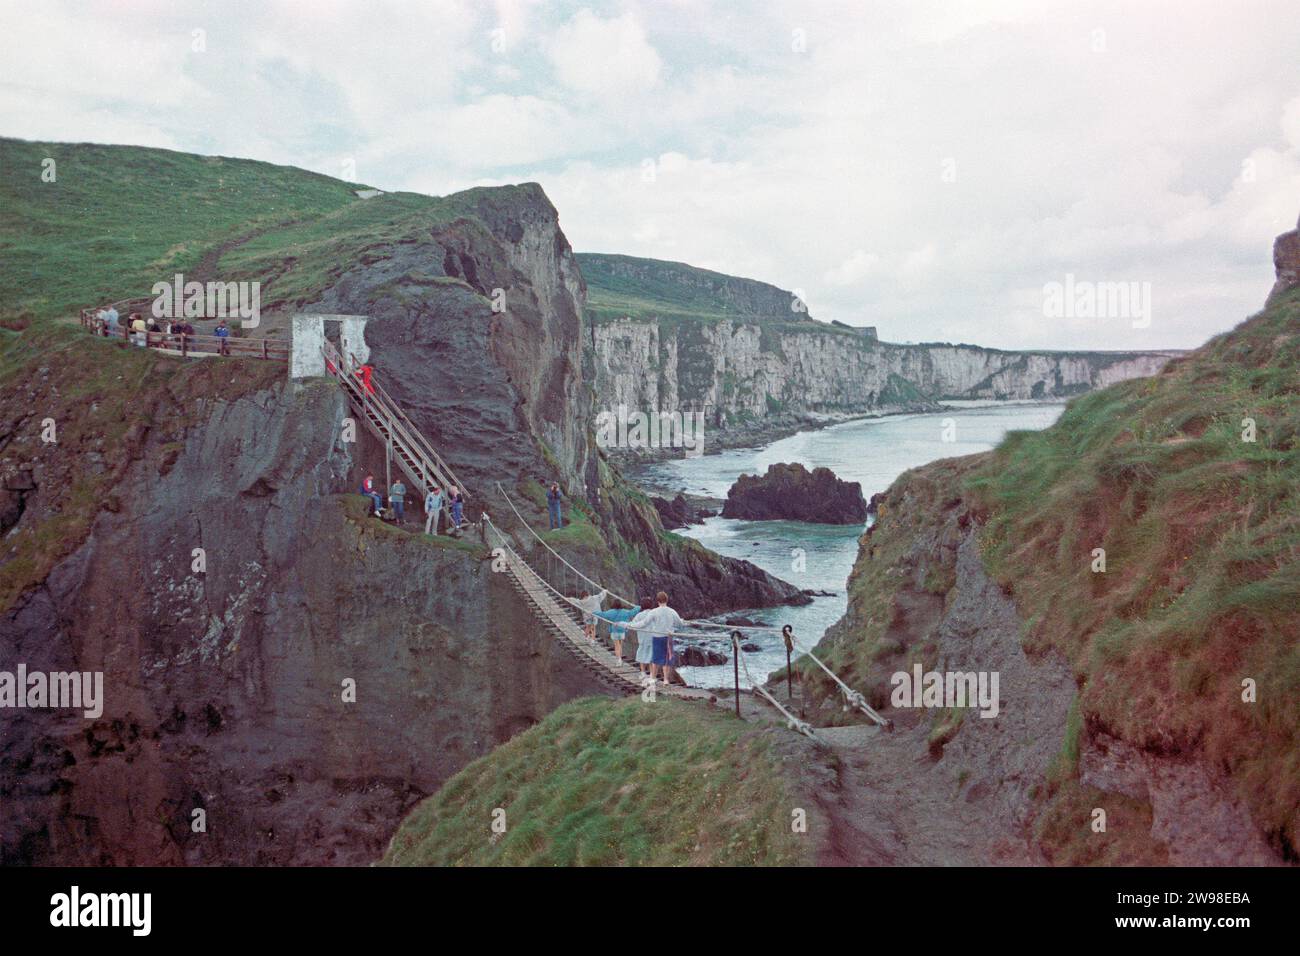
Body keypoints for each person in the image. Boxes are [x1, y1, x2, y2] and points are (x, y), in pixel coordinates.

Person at [626, 591, 685, 685]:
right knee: (667, 659)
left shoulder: (654, 612)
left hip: (657, 637)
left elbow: (643, 623)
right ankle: (666, 680)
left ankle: (653, 678)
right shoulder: (672, 611)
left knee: (656, 659)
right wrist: (682, 621)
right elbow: (679, 624)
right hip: (668, 637)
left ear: (657, 601)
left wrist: (629, 625)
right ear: (667, 600)